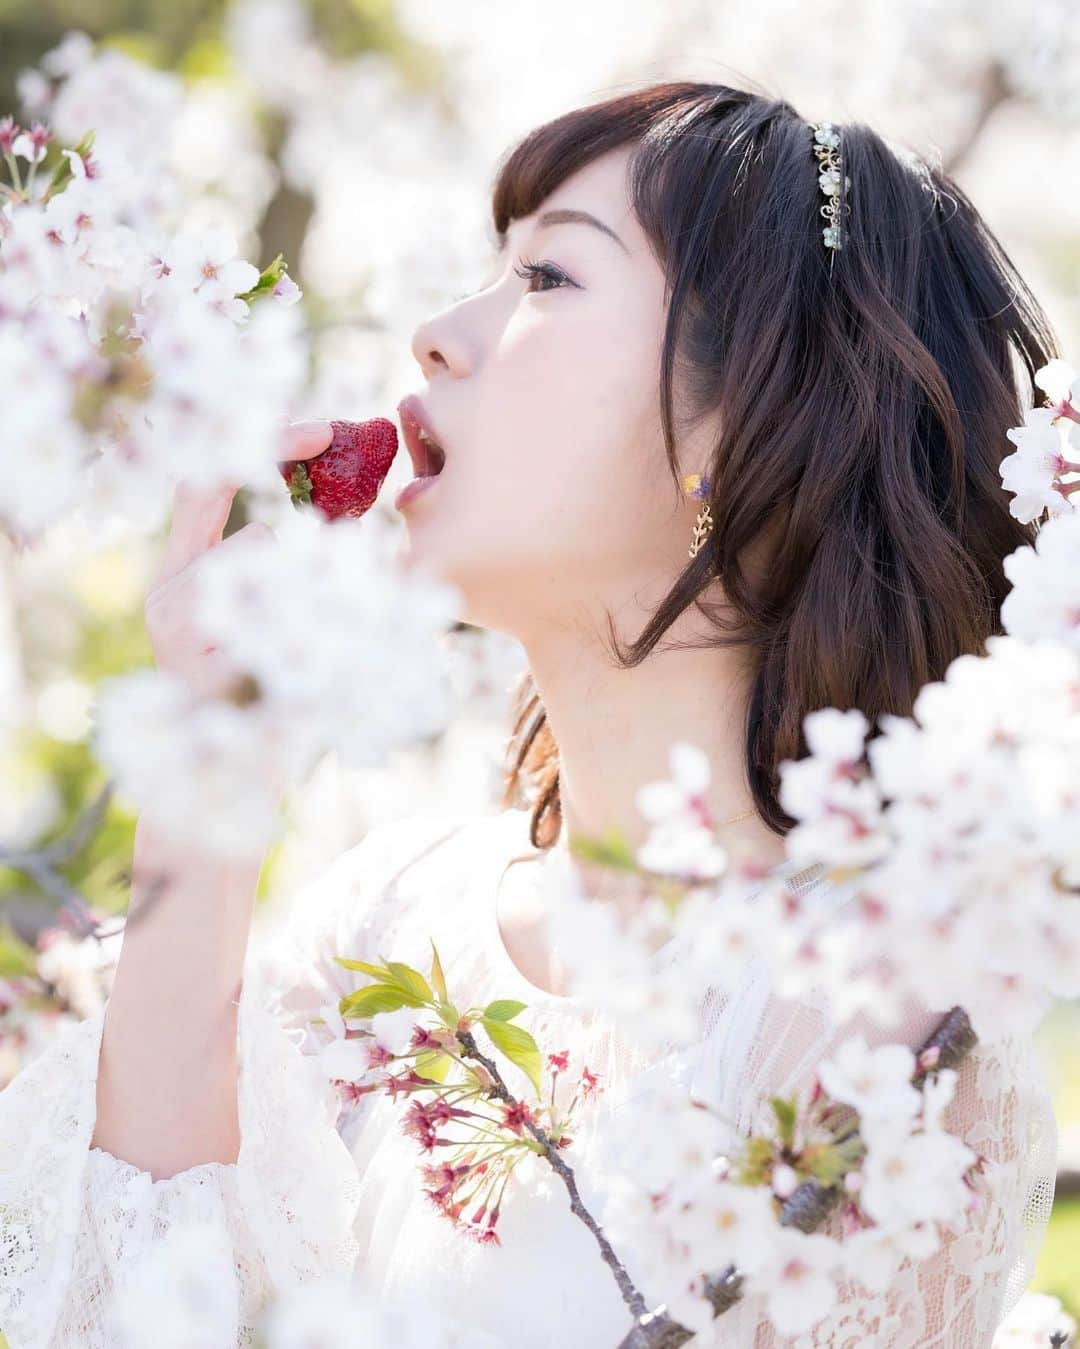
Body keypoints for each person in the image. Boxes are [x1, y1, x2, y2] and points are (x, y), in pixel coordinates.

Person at [0, 80, 1060, 1347]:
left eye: (549, 277)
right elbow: (124, 1314)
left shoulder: (879, 1033)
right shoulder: (386, 916)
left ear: (750, 421)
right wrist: (207, 768)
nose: (439, 334)